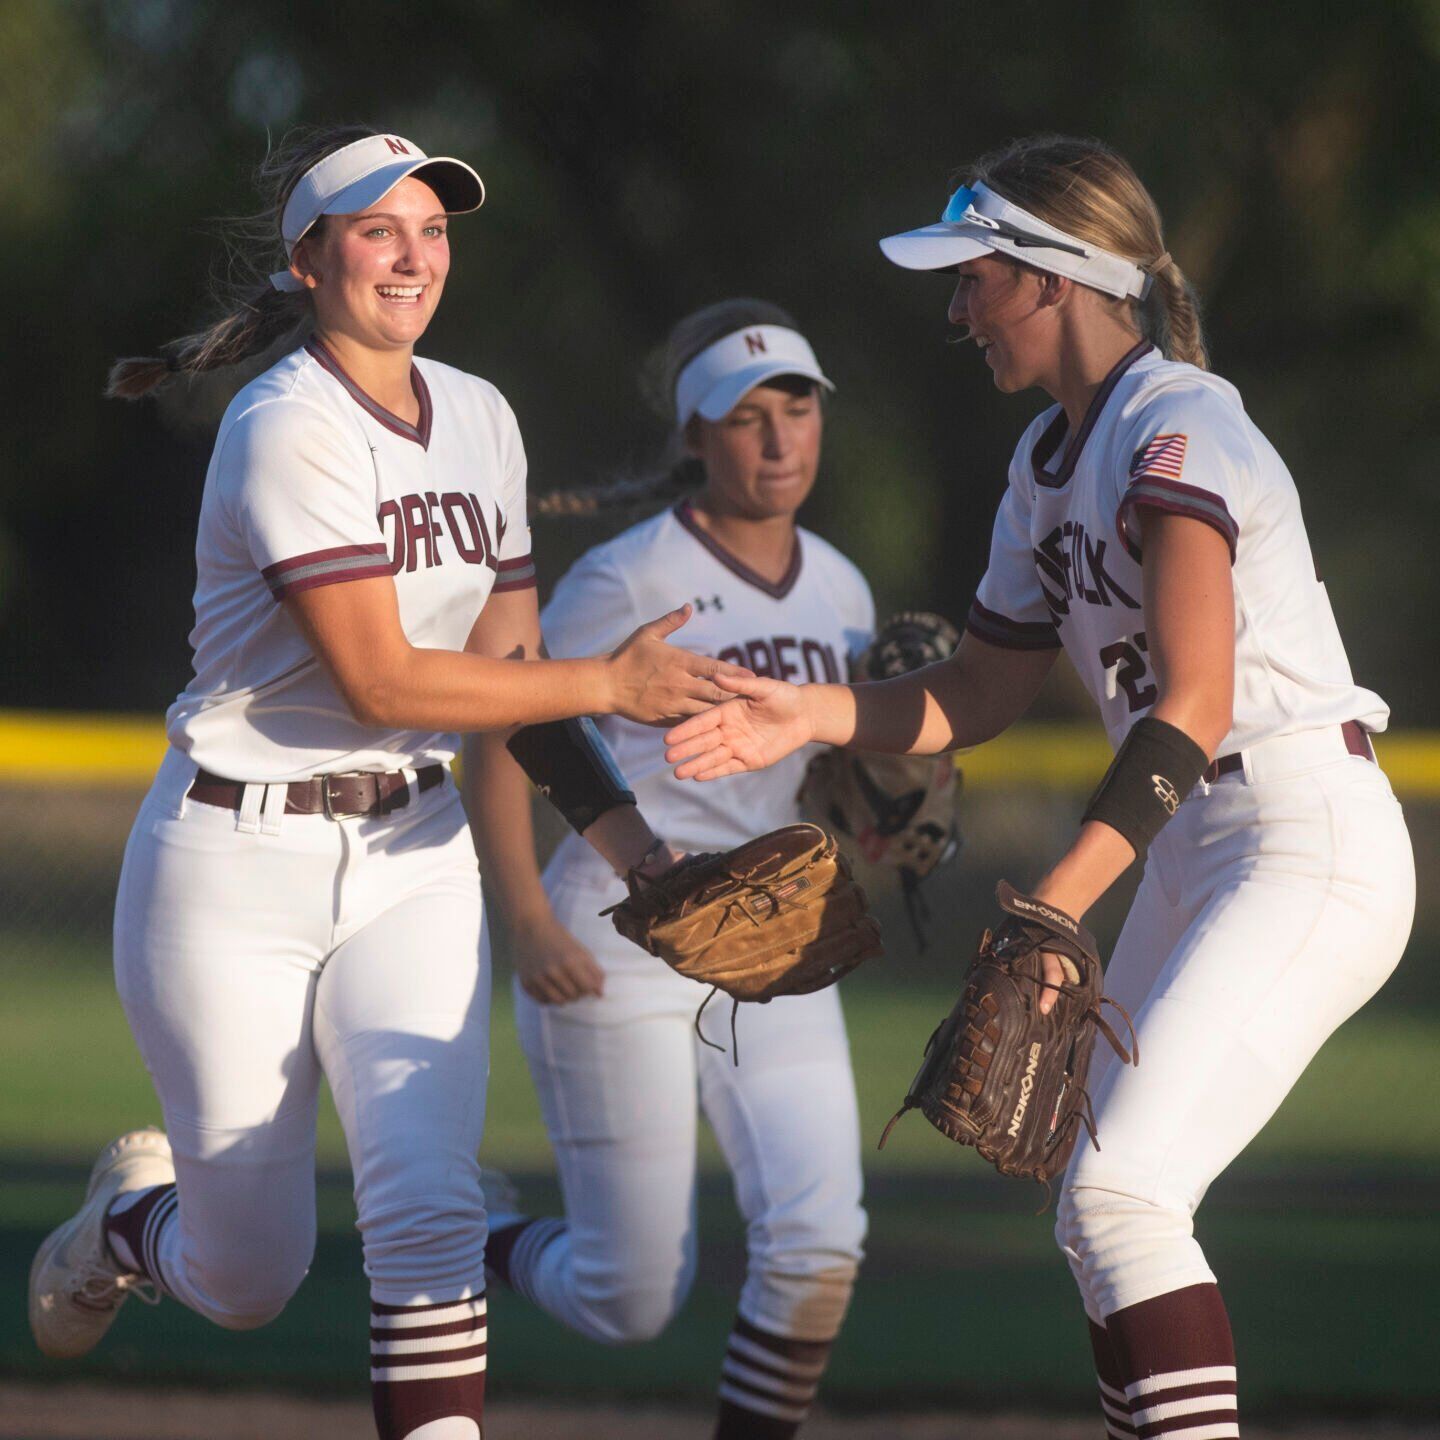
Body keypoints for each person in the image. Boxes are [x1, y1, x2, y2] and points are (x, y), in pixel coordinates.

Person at [664, 136, 1416, 1440]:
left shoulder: (1184, 423)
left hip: (1303, 836)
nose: (959, 310)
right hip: (1205, 841)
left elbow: (1192, 698)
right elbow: (982, 690)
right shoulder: (1042, 465)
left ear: (1055, 278)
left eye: (975, 279)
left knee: (1123, 1202)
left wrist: (1057, 907)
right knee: (1095, 1209)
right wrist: (812, 710)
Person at [27, 124, 747, 1440]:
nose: (414, 255)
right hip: (233, 864)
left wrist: (641, 852)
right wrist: (611, 685)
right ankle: (126, 1227)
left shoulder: (480, 416)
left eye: (434, 228)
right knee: (248, 1279)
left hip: (414, 860)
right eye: (378, 231)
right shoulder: (281, 428)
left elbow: (506, 673)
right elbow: (383, 681)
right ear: (308, 261)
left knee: (428, 1214)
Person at [467, 300, 874, 1440]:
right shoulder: (630, 573)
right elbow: (511, 730)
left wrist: (886, 824)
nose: (780, 437)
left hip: (780, 941)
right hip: (619, 941)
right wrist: (529, 919)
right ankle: (477, 1233)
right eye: (746, 418)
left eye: (797, 407)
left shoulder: (843, 588)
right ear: (695, 437)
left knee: (819, 1246)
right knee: (627, 1297)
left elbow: (828, 786)